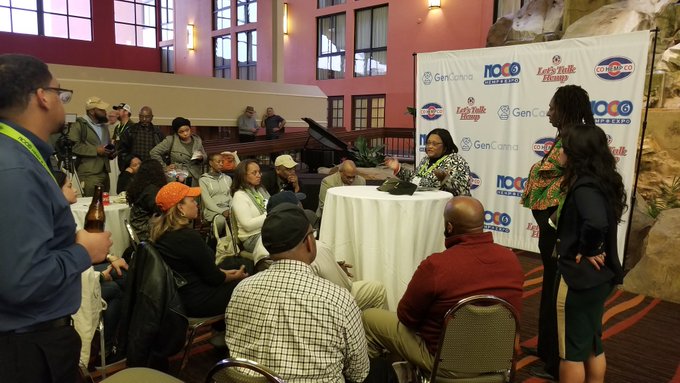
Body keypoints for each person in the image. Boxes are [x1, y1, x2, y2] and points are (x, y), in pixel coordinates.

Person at [0, 53, 112, 383]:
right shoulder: (16, 168)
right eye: (61, 93)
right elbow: (22, 281)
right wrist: (84, 252)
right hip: (27, 347)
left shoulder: (18, 155)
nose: (63, 102)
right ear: (42, 97)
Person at [362, 196, 524, 375]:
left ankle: (380, 375)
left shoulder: (436, 266)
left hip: (444, 363)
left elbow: (407, 317)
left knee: (369, 318)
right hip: (497, 362)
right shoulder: (512, 260)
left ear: (449, 227)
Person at [226, 203, 370, 383]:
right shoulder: (337, 298)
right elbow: (358, 373)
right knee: (381, 370)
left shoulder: (240, 289)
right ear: (310, 242)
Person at [520, 84, 595, 380]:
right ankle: (545, 349)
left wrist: (554, 218)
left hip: (560, 227)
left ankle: (555, 361)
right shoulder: (564, 136)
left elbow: (576, 181)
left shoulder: (577, 139)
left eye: (553, 106)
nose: (549, 111)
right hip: (550, 225)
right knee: (549, 287)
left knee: (557, 294)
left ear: (566, 107)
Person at [554, 124, 625, 383]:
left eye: (563, 147)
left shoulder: (584, 186)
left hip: (578, 280)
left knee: (571, 352)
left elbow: (595, 222)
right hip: (598, 279)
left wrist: (588, 248)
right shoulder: (602, 181)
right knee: (592, 344)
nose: (558, 153)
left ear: (576, 153)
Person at [268, 191, 388, 311]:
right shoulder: (316, 249)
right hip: (322, 306)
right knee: (377, 288)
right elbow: (343, 289)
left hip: (283, 304)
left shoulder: (264, 243)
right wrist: (339, 272)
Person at [56, 170, 126, 365]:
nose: (76, 191)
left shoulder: (63, 215)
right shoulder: (53, 219)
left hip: (79, 270)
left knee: (123, 275)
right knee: (114, 290)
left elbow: (80, 240)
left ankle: (116, 342)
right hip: (68, 281)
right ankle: (107, 349)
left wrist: (111, 257)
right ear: (56, 191)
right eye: (69, 186)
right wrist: (100, 277)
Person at [151, 182, 251, 317]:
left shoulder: (161, 234)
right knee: (251, 284)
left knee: (233, 263)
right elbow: (214, 278)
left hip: (181, 297)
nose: (196, 204)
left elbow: (198, 269)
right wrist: (234, 276)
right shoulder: (187, 237)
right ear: (180, 208)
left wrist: (226, 273)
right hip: (199, 300)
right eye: (192, 201)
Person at [385, 128, 470, 196]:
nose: (430, 146)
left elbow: (460, 189)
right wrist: (398, 169)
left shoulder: (456, 161)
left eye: (435, 144)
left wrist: (445, 179)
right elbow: (416, 179)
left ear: (445, 146)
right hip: (425, 201)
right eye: (428, 143)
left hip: (450, 207)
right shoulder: (426, 159)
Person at [68, 96, 115, 196]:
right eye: (101, 110)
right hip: (88, 174)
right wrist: (96, 150)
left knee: (105, 205)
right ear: (92, 111)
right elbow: (74, 146)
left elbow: (107, 145)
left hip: (105, 172)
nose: (105, 112)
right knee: (90, 205)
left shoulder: (104, 127)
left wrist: (111, 152)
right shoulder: (79, 124)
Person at [150, 116, 206, 186]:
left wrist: (201, 157)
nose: (185, 133)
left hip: (194, 176)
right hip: (177, 175)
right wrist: (164, 167)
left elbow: (205, 156)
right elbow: (154, 152)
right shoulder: (171, 140)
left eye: (187, 130)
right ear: (177, 132)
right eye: (181, 132)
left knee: (193, 195)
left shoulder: (197, 140)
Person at [230, 159, 270, 257]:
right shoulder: (240, 196)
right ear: (243, 176)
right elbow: (247, 225)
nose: (259, 175)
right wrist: (269, 215)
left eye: (259, 172)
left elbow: (271, 206)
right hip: (252, 238)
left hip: (267, 231)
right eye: (254, 173)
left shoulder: (260, 191)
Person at [125, 159, 167, 242]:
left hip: (138, 229)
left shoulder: (141, 186)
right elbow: (161, 211)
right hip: (145, 232)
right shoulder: (151, 191)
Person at [199, 153, 233, 226]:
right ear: (211, 163)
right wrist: (222, 211)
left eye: (222, 162)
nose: (221, 164)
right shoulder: (203, 180)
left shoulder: (227, 178)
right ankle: (216, 237)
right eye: (218, 162)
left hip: (227, 208)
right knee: (220, 221)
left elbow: (230, 197)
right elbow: (207, 202)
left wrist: (231, 209)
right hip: (212, 210)